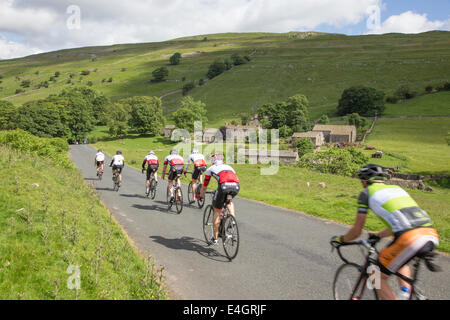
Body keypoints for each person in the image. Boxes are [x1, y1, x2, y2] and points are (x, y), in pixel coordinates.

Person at [331, 164, 439, 300]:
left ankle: (403, 294)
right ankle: (405, 292)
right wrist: (379, 235)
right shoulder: (397, 189)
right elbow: (401, 221)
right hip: (430, 233)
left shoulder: (366, 192)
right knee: (399, 258)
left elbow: (357, 231)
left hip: (409, 238)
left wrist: (340, 239)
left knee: (374, 274)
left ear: (364, 181)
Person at [199, 153, 240, 245]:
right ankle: (232, 217)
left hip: (224, 186)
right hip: (236, 186)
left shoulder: (210, 169)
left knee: (217, 211)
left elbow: (204, 186)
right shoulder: (229, 167)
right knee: (229, 201)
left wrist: (201, 195)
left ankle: (215, 238)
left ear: (213, 161)